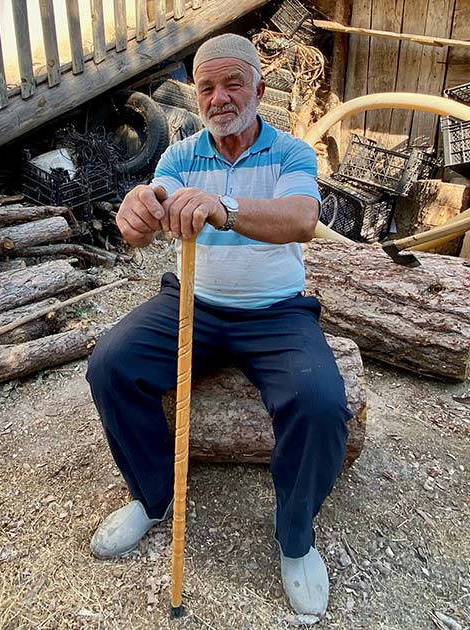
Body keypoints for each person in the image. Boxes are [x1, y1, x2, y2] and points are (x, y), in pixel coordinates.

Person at [85, 34, 349, 616]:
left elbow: (303, 219)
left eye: (233, 83)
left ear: (258, 87)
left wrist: (223, 209)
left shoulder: (292, 154)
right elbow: (153, 205)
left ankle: (296, 537)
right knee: (110, 365)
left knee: (323, 402)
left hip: (277, 311)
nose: (220, 97)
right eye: (207, 86)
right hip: (193, 304)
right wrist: (137, 213)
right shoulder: (180, 156)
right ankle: (152, 499)